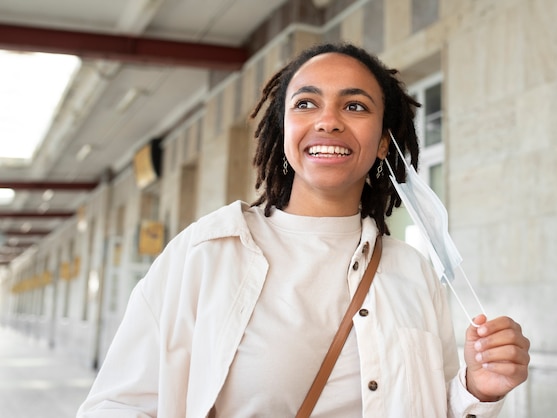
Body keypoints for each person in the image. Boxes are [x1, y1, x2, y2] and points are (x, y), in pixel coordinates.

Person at [77, 42, 530, 417]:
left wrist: (478, 388)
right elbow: (117, 405)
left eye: (354, 105)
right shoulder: (206, 254)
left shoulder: (413, 272)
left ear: (382, 144)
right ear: (284, 128)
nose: (328, 120)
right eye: (306, 103)